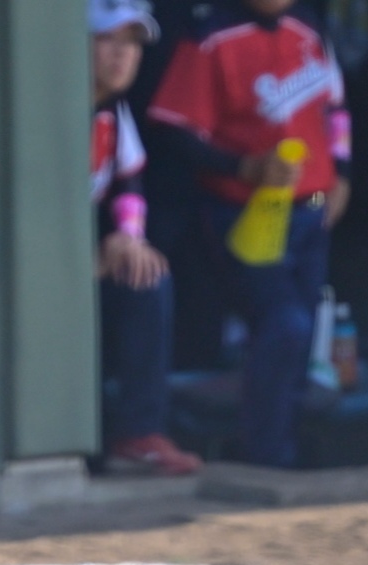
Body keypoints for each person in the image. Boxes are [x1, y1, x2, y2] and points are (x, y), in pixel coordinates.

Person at [146, 0, 352, 467]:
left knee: (302, 332)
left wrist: (343, 172)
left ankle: (288, 449)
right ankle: (267, 454)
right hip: (247, 208)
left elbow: (337, 109)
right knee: (284, 324)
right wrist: (242, 166)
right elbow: (174, 131)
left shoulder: (308, 28)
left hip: (313, 204)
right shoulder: (211, 37)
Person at [92, 0, 200, 475]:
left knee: (147, 276)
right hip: (39, 272)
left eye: (132, 43)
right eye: (107, 39)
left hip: (91, 264)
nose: (123, 54)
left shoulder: (114, 109)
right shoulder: (52, 109)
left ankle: (138, 434)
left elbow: (129, 182)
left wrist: (129, 237)